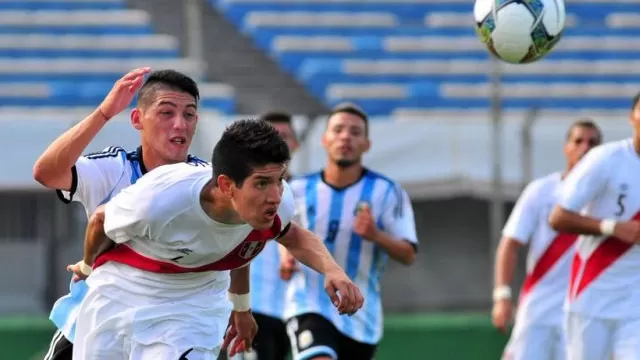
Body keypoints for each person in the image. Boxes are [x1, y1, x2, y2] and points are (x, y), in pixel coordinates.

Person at [67, 119, 365, 360]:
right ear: (226, 185)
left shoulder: (275, 203)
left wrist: (332, 270)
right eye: (262, 183)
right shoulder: (160, 201)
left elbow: (285, 237)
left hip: (195, 304)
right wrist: (88, 266)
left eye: (279, 179)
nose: (275, 195)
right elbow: (100, 220)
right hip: (121, 291)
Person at [33, 68, 208, 360]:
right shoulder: (114, 169)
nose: (180, 124)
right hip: (97, 323)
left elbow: (235, 241)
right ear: (137, 119)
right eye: (166, 113)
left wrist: (240, 304)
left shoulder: (206, 182)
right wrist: (104, 112)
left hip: (172, 329)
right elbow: (46, 173)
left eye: (189, 115)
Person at [281, 103, 418, 360]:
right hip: (308, 303)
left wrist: (376, 235)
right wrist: (284, 255)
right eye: (338, 130)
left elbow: (408, 253)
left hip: (361, 315)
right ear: (325, 139)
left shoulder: (387, 192)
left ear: (367, 144)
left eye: (355, 132)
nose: (345, 137)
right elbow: (282, 233)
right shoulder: (297, 189)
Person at [492, 120, 602, 360]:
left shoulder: (605, 197)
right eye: (578, 141)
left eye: (592, 143)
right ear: (566, 147)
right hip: (539, 305)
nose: (584, 147)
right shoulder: (541, 191)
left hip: (583, 308)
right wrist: (502, 295)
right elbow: (510, 243)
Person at [549, 94, 640, 360]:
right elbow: (558, 217)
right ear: (632, 117)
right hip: (591, 298)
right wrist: (611, 227)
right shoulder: (606, 159)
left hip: (635, 303)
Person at [227, 112, 299, 360]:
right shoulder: (240, 191)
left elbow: (298, 233)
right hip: (253, 304)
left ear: (295, 145)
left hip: (293, 307)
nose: (278, 143)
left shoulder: (305, 192)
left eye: (285, 137)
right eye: (272, 136)